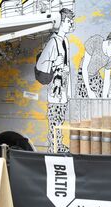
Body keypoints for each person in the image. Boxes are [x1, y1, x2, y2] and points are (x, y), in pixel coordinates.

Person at [35, 8, 75, 153]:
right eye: (69, 22)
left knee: (60, 121)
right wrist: (54, 62)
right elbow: (40, 64)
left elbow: (67, 67)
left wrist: (69, 92)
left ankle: (58, 145)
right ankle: (53, 148)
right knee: (54, 122)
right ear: (62, 22)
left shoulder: (65, 41)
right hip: (55, 92)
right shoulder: (53, 42)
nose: (71, 25)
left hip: (63, 91)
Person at [75, 29, 111, 99]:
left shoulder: (110, 58)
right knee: (83, 98)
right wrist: (89, 90)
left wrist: (104, 98)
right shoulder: (96, 41)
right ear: (110, 43)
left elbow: (107, 79)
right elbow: (84, 67)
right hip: (83, 74)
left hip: (95, 76)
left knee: (100, 97)